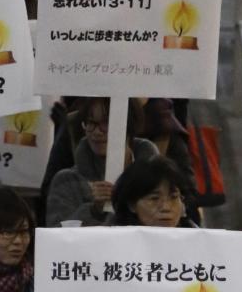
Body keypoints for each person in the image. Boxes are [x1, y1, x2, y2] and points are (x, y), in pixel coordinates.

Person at [46, 97, 159, 227]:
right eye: (90, 123)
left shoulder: (158, 180)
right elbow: (56, 237)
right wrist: (93, 211)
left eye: (106, 123)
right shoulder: (67, 181)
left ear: (129, 125)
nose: (97, 132)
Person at [110, 156, 195, 227]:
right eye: (154, 198)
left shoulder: (197, 237)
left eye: (173, 197)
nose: (166, 207)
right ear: (132, 205)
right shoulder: (114, 239)